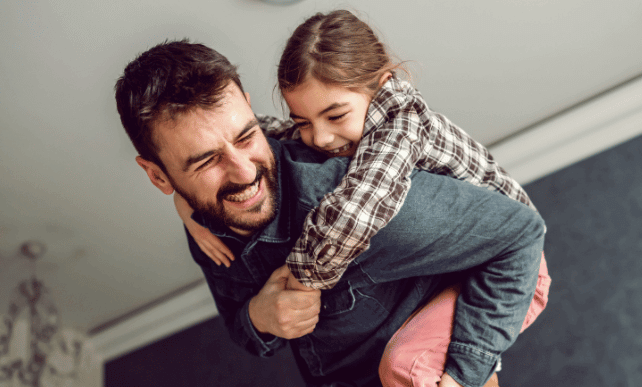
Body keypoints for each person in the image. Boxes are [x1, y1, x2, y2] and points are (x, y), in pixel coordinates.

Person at [114, 40, 545, 387]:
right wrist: (259, 318)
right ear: (158, 176)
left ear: (248, 109)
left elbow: (521, 235)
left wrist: (464, 375)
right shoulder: (203, 221)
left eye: (246, 136)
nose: (244, 173)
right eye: (206, 162)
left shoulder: (354, 200)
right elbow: (242, 328)